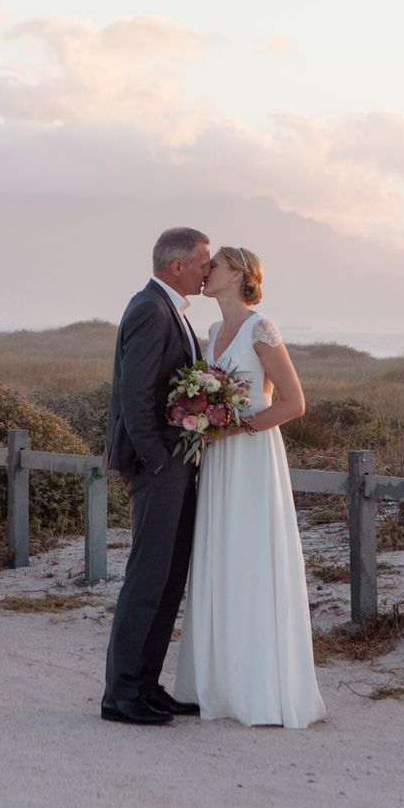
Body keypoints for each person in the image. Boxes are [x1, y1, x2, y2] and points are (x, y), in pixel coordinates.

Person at [171, 245, 327, 728]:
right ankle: (217, 685)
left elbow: (294, 404)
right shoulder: (215, 331)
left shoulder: (262, 329)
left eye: (214, 264)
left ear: (238, 274)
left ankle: (261, 688)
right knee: (220, 557)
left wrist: (232, 426)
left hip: (252, 457)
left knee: (251, 558)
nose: (206, 270)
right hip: (217, 459)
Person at [101, 226, 211, 725]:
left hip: (175, 466)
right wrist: (157, 461)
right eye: (203, 261)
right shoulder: (149, 308)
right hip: (159, 468)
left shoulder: (175, 312)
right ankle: (120, 695)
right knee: (146, 578)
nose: (208, 270)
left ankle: (146, 684)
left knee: (168, 578)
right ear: (177, 267)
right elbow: (136, 395)